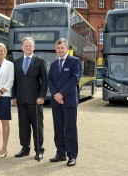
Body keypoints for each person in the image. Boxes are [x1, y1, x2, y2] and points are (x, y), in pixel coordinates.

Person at [12, 36, 48, 161]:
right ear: (22, 47)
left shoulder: (40, 61)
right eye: (26, 46)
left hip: (35, 100)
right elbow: (15, 81)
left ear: (34, 47)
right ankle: (24, 148)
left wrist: (41, 96)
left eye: (30, 46)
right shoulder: (16, 62)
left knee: (37, 126)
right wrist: (14, 97)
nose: (28, 48)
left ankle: (39, 150)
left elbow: (45, 81)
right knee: (23, 125)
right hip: (21, 99)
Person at [48, 38, 82, 167]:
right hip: (56, 102)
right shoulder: (53, 64)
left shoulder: (75, 61)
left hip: (69, 102)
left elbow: (75, 79)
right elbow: (50, 80)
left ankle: (72, 156)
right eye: (58, 48)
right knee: (58, 129)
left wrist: (61, 94)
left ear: (67, 49)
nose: (60, 50)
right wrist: (56, 95)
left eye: (62, 48)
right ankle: (60, 153)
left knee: (70, 129)